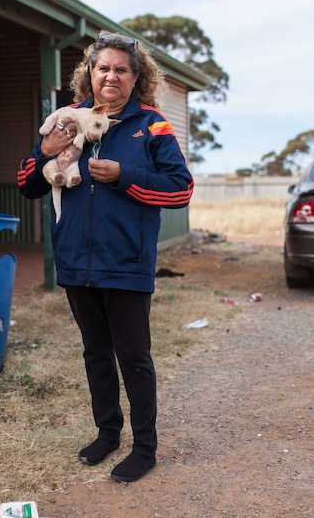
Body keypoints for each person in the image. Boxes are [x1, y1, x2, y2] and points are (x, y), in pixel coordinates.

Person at [17, 31, 193, 482]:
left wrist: (123, 174)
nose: (110, 75)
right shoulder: (67, 121)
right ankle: (107, 434)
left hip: (127, 261)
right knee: (95, 352)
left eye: (121, 69)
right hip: (76, 260)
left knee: (133, 355)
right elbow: (26, 184)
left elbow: (181, 189)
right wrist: (44, 152)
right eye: (103, 68)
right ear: (89, 75)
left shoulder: (152, 125)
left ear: (136, 78)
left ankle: (145, 448)